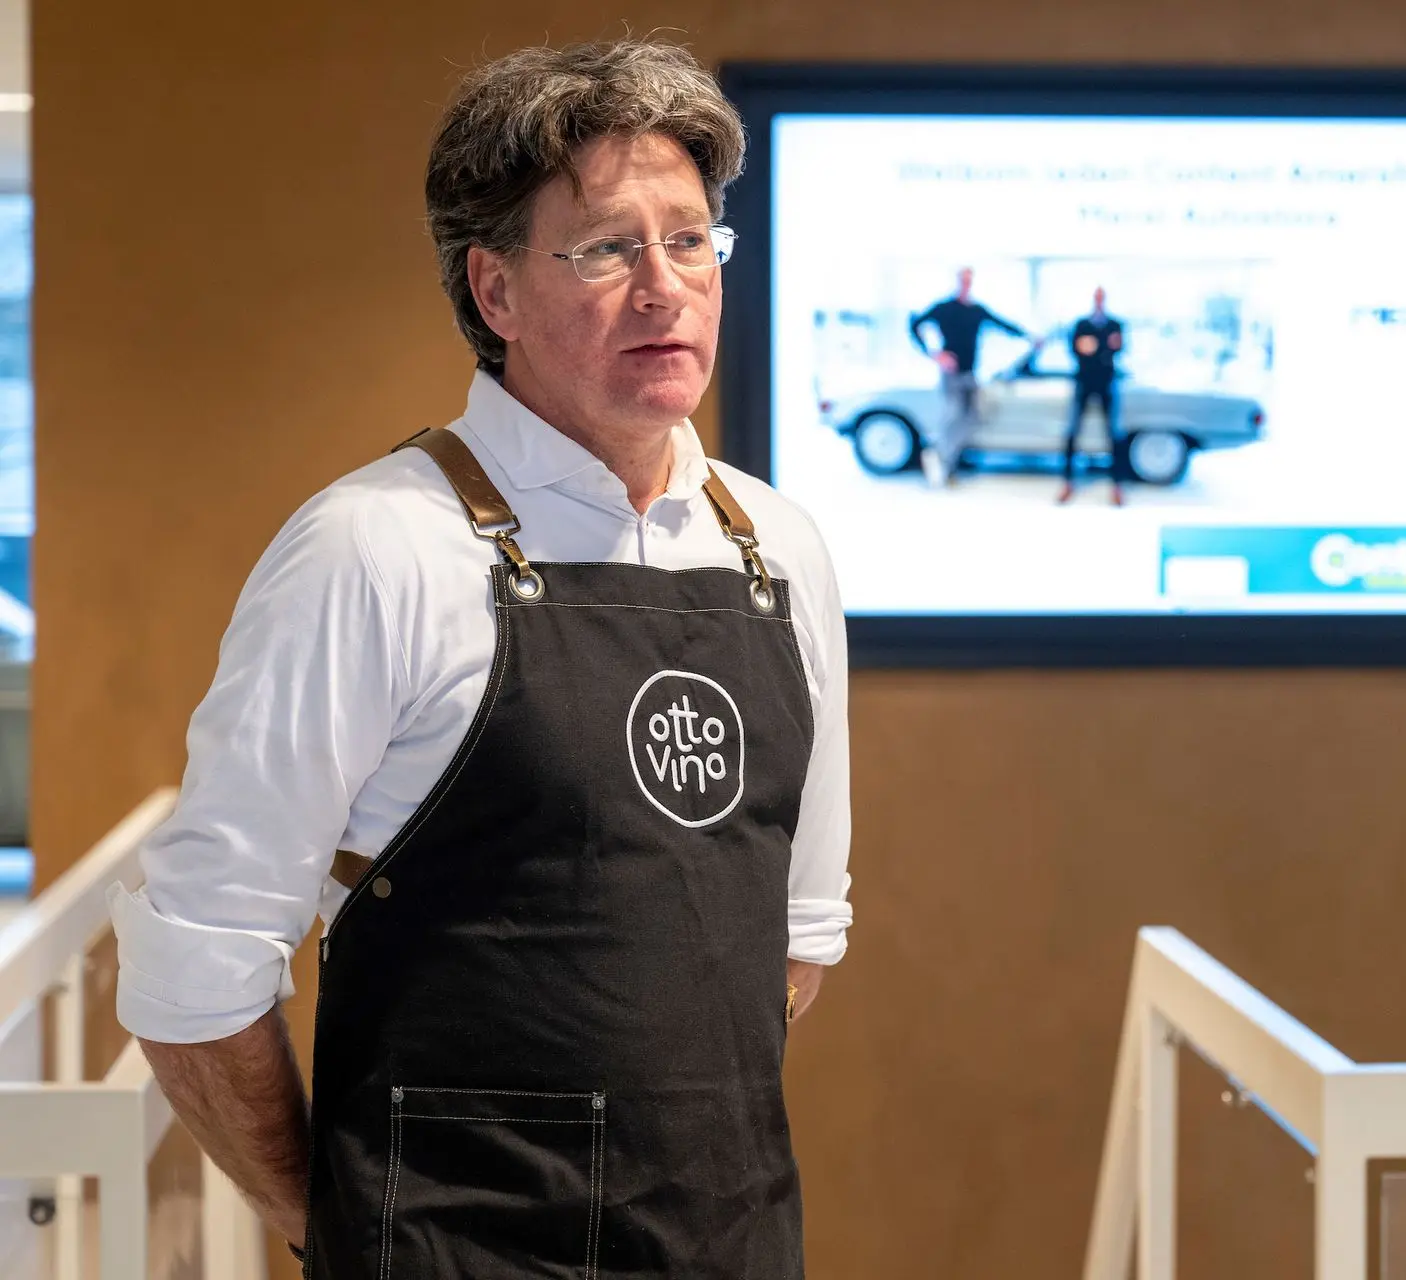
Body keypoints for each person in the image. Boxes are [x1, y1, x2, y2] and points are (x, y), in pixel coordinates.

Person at [107, 40, 852, 1279]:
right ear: (495, 289)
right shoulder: (372, 547)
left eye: (690, 240)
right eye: (608, 248)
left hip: (734, 1243)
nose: (665, 288)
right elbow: (195, 966)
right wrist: (335, 1227)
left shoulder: (780, 549)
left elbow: (797, 934)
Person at [908, 267, 1030, 486]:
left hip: (970, 374)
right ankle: (943, 460)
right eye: (963, 280)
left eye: (969, 280)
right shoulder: (944, 308)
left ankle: (944, 452)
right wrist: (935, 354)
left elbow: (1003, 325)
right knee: (954, 414)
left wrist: (1028, 336)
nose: (966, 284)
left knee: (974, 416)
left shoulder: (976, 310)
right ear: (957, 281)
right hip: (951, 375)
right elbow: (915, 323)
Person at [1059, 286, 1125, 506]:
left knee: (1114, 434)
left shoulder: (1115, 324)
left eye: (1101, 297)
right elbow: (1077, 348)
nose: (1099, 301)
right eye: (1096, 297)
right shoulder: (1082, 324)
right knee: (1072, 431)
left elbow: (1118, 347)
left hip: (1106, 382)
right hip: (1084, 382)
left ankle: (1117, 485)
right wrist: (1103, 345)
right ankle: (1067, 482)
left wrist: (1095, 346)